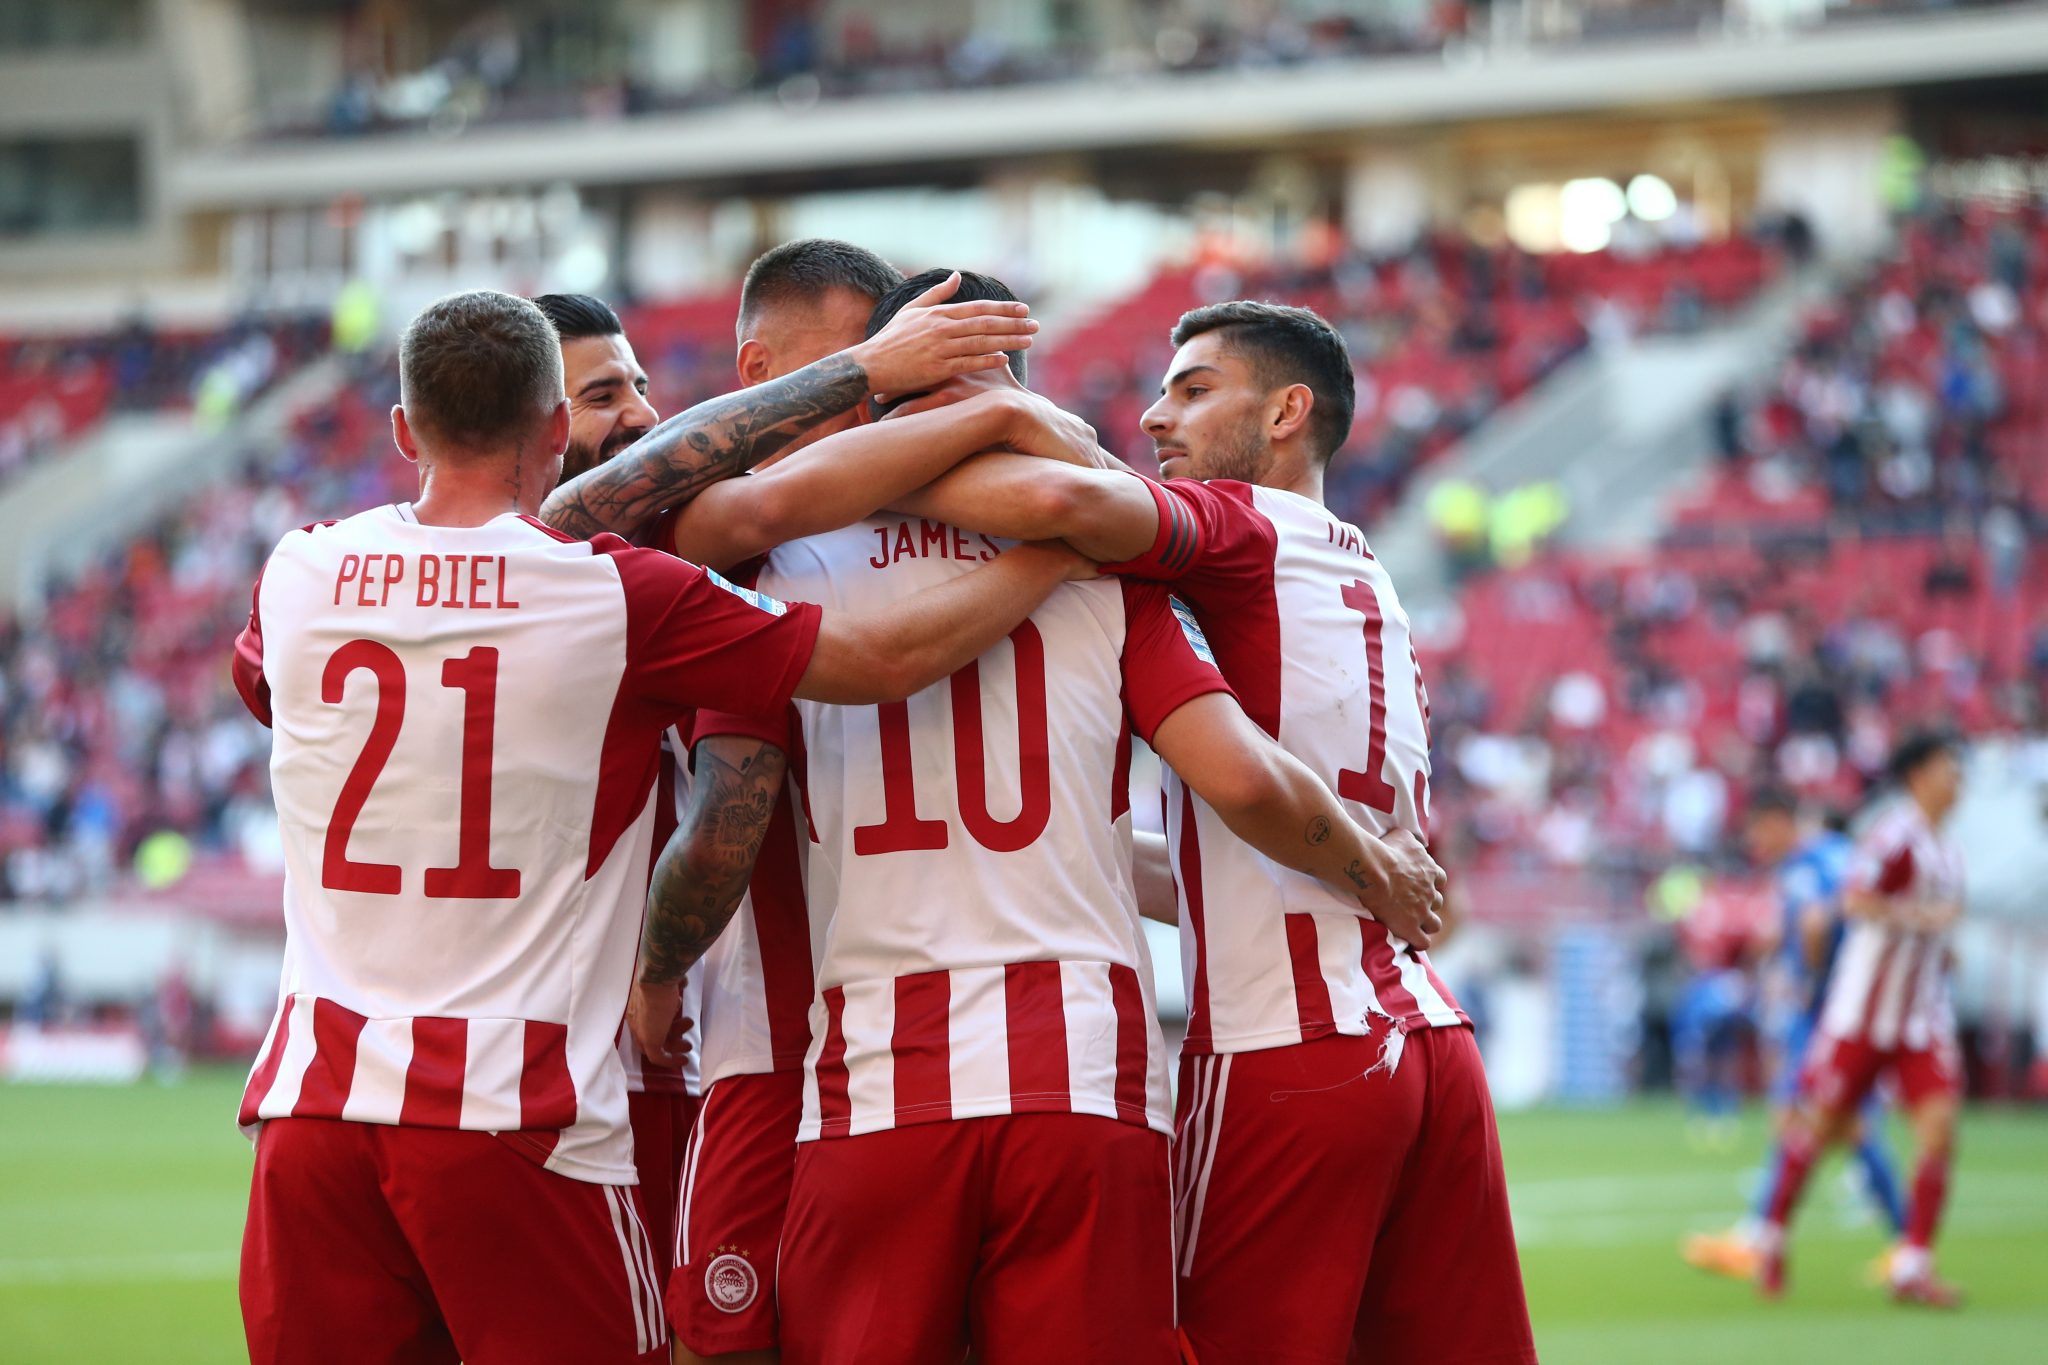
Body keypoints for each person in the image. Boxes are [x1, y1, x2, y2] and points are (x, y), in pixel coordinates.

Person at [230, 289, 1092, 1365]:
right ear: (556, 426)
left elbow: (281, 687)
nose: (634, 411)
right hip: (513, 1106)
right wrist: (1059, 552)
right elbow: (879, 662)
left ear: (405, 430)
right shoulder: (608, 592)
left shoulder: (300, 570)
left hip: (311, 1110)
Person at [627, 271, 1445, 1364]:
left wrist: (657, 969)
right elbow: (1234, 773)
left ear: (880, 392)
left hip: (875, 1075)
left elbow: (725, 807)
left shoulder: (778, 566)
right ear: (1020, 391)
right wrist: (1368, 868)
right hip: (1085, 1078)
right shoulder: (1112, 578)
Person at [887, 298, 1533, 1363]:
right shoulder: (1360, 565)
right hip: (1426, 1040)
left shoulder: (1236, 529)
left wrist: (865, 461)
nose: (1154, 416)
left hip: (1290, 1045)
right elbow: (1244, 852)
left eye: (1192, 391)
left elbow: (1055, 498)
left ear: (1285, 414)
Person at [542, 242, 1079, 1364]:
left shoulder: (822, 535)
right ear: (766, 372)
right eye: (872, 364)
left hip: (818, 1036)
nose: (885, 398)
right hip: (739, 1029)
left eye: (908, 368)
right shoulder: (720, 540)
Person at [530, 290, 700, 1307]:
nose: (642, 412)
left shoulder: (668, 558)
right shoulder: (604, 587)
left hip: (664, 1060)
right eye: (603, 396)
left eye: (639, 383)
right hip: (596, 1070)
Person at [1757, 732, 1969, 1308]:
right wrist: (1924, 920)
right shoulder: (1894, 836)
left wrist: (1940, 950)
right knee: (1822, 1128)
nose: (1958, 780)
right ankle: (1772, 1236)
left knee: (1940, 1130)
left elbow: (1926, 926)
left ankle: (1913, 1265)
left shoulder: (1948, 851)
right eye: (1948, 767)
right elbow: (1855, 901)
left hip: (1920, 1018)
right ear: (1919, 775)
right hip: (1862, 1016)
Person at [1682, 793, 1905, 1283]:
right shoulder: (1823, 860)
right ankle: (1766, 1236)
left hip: (1832, 1013)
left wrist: (1811, 976)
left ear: (1780, 821)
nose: (1755, 842)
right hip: (1837, 1010)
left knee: (1838, 1124)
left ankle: (1902, 1243)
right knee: (1817, 1120)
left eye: (1759, 830)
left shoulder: (1813, 863)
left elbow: (1822, 921)